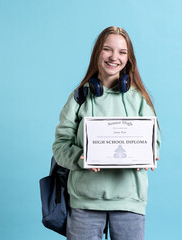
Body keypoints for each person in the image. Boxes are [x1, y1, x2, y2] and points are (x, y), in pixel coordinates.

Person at [52, 26, 161, 240]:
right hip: (85, 200)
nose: (114, 57)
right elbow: (60, 146)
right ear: (97, 54)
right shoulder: (79, 97)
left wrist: (149, 153)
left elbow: (154, 140)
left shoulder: (139, 99)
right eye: (107, 49)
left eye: (122, 52)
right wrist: (81, 158)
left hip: (129, 199)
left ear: (128, 58)